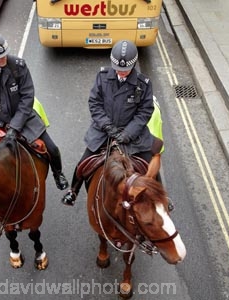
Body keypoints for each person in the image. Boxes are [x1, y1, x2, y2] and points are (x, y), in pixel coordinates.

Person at [61, 40, 163, 206]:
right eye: (118, 70)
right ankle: (73, 191)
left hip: (132, 134)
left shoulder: (144, 84)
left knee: (151, 164)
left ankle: (160, 197)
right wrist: (108, 127)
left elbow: (144, 112)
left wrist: (128, 134)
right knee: (83, 163)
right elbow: (94, 103)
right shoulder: (102, 77)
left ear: (134, 65)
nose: (122, 73)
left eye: (126, 70)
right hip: (104, 131)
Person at [0, 32, 68, 190]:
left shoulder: (18, 66)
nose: (4, 58)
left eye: (5, 54)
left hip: (23, 119)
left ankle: (57, 173)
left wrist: (14, 128)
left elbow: (27, 97)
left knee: (52, 149)